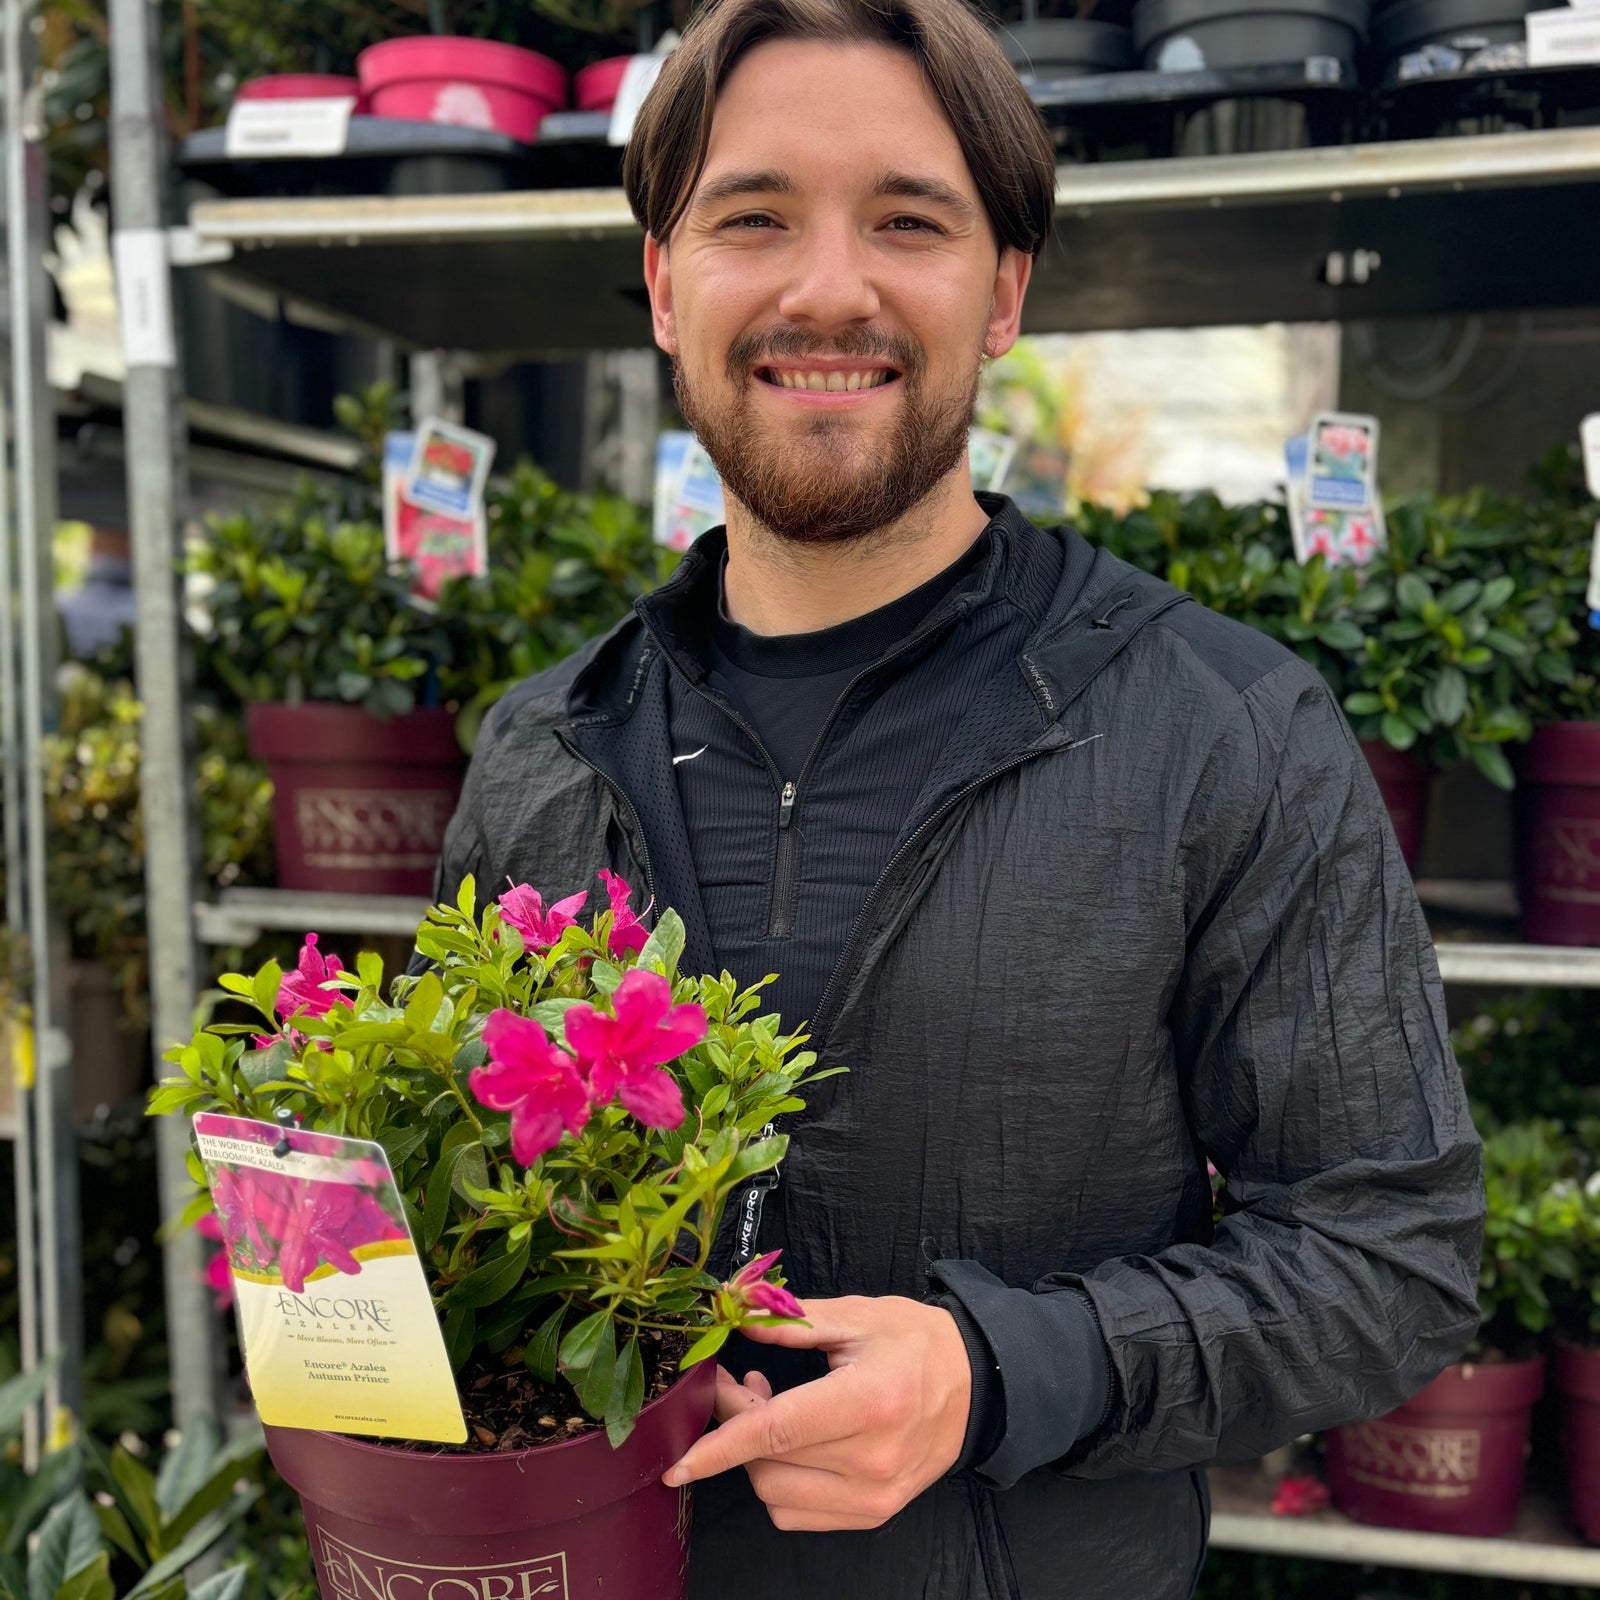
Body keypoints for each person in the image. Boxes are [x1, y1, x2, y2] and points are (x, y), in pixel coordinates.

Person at [430, 0, 1484, 1592]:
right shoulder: (541, 749)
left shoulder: (1221, 728)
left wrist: (1006, 1374)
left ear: (1002, 292)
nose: (827, 287)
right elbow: (467, 1233)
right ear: (663, 283)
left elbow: (1387, 1258)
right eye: (753, 218)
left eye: (907, 221)